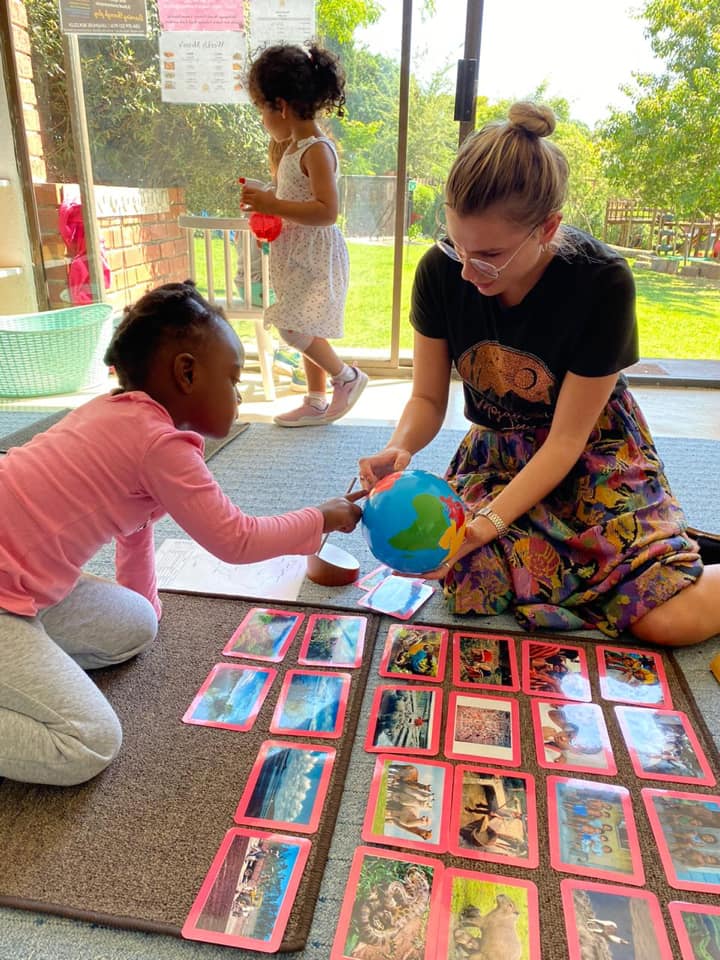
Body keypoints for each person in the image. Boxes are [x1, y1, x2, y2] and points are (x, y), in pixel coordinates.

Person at [358, 101, 720, 647]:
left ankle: (666, 548)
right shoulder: (441, 271)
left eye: (489, 256)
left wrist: (484, 525)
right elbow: (428, 400)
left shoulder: (601, 282)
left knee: (663, 621)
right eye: (457, 245)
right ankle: (659, 545)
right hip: (500, 456)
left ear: (547, 228)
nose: (468, 271)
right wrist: (400, 447)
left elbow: (567, 441)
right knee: (463, 580)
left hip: (593, 451)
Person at [0, 281, 363, 787]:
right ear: (187, 372)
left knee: (138, 624)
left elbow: (134, 534)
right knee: (87, 742)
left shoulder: (121, 415)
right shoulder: (160, 444)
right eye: (233, 380)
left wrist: (144, 605)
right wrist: (321, 517)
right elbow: (235, 539)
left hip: (25, 586)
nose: (238, 396)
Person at [241, 43, 368, 427]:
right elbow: (296, 198)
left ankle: (346, 377)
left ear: (280, 105)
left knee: (293, 326)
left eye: (260, 109)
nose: (262, 119)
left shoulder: (316, 149)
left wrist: (274, 204)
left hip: (315, 254)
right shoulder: (293, 149)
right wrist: (268, 202)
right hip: (297, 253)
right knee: (305, 324)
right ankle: (315, 399)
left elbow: (327, 212)